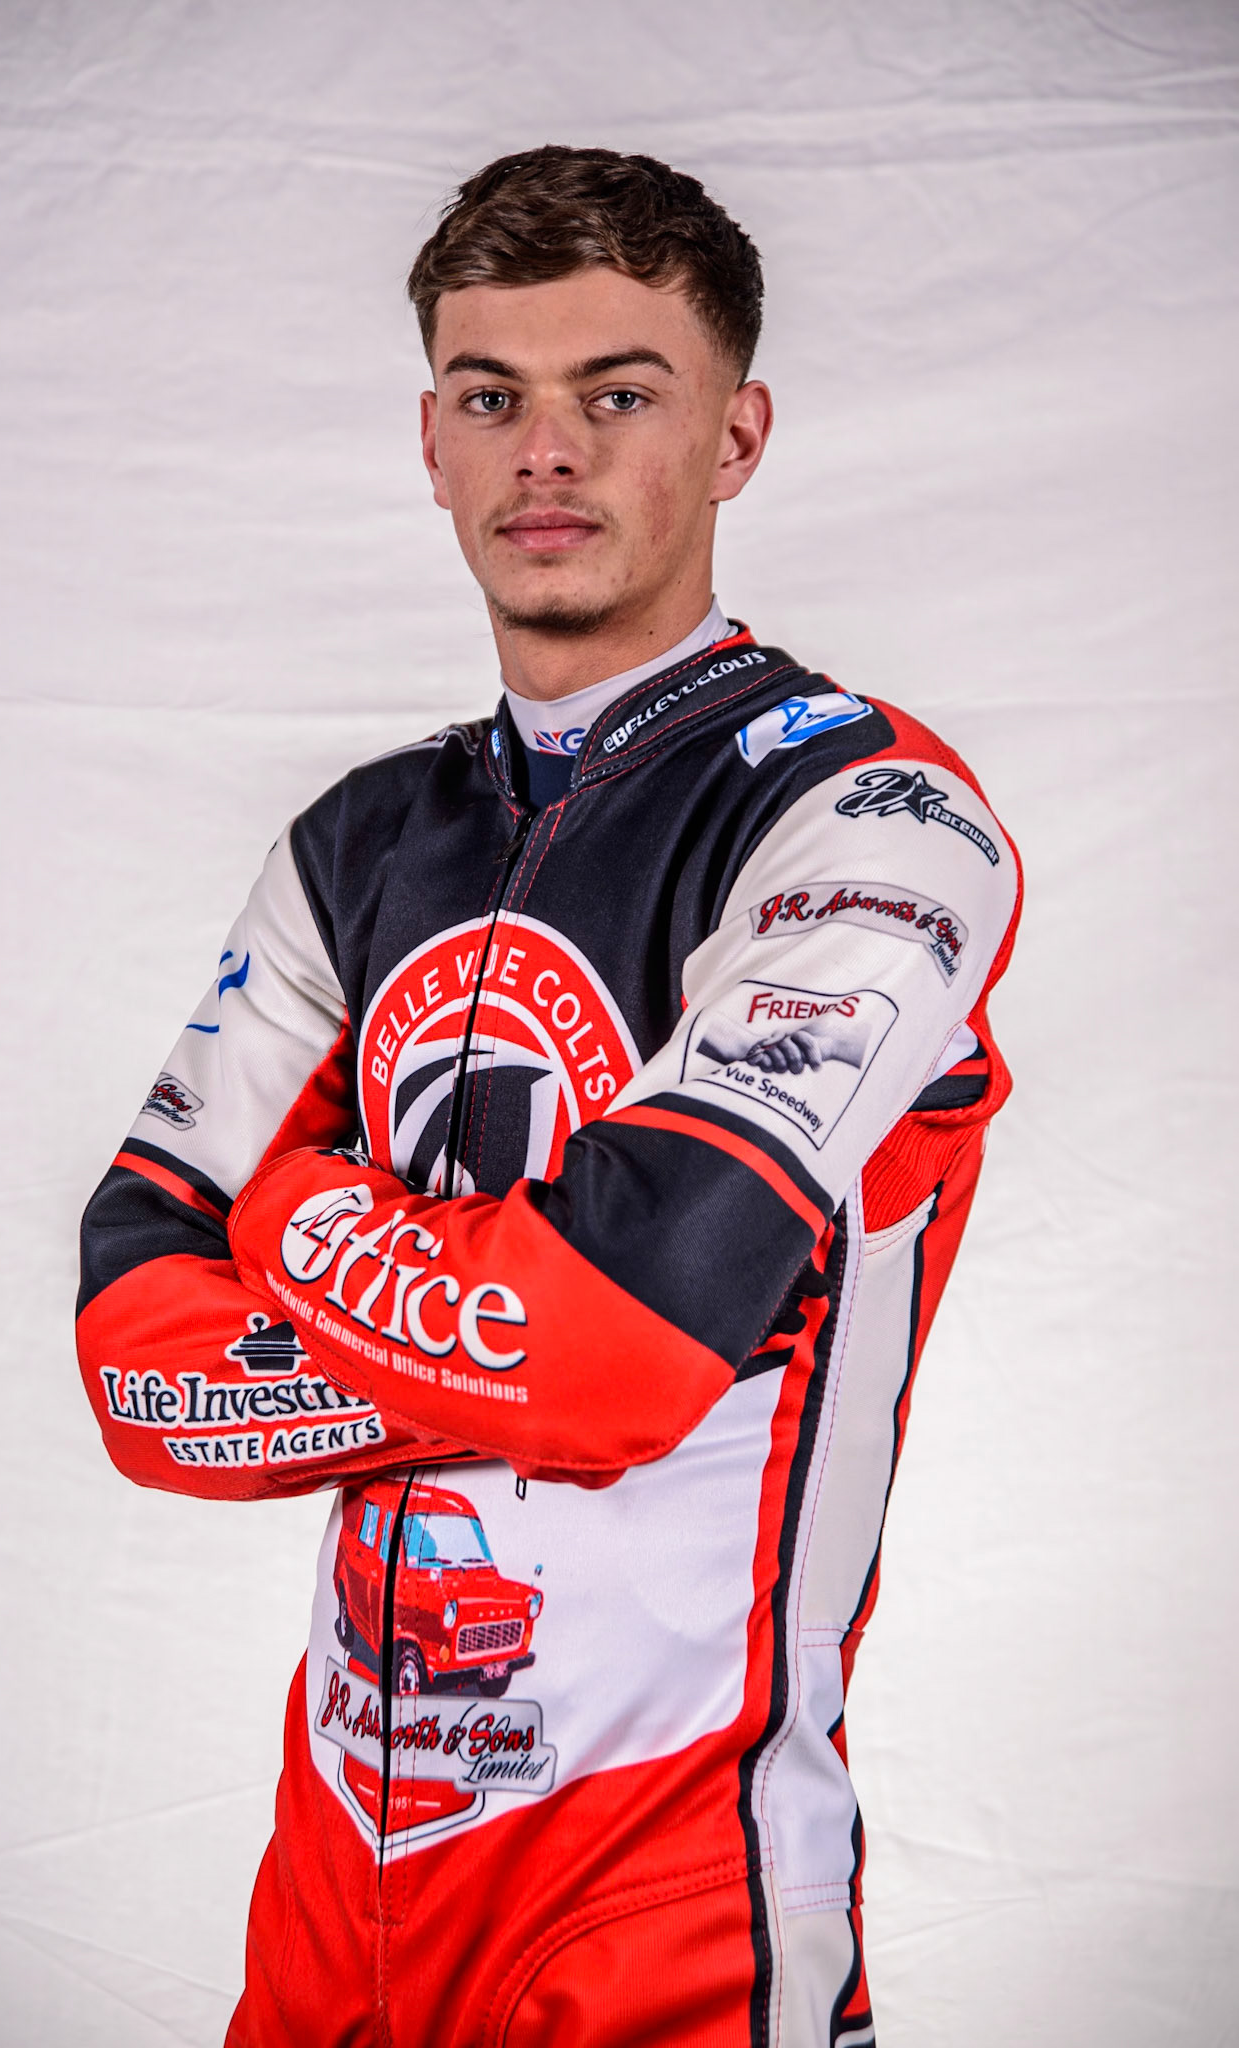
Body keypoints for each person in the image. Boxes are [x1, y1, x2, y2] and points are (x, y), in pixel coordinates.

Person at [77, 145, 1021, 2048]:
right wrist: (484, 1326)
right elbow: (130, 1360)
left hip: (660, 1884)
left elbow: (608, 1344)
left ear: (736, 435)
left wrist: (288, 1213)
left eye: (620, 393)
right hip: (333, 1861)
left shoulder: (872, 820)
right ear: (428, 437)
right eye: (491, 396)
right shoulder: (359, 837)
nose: (547, 453)